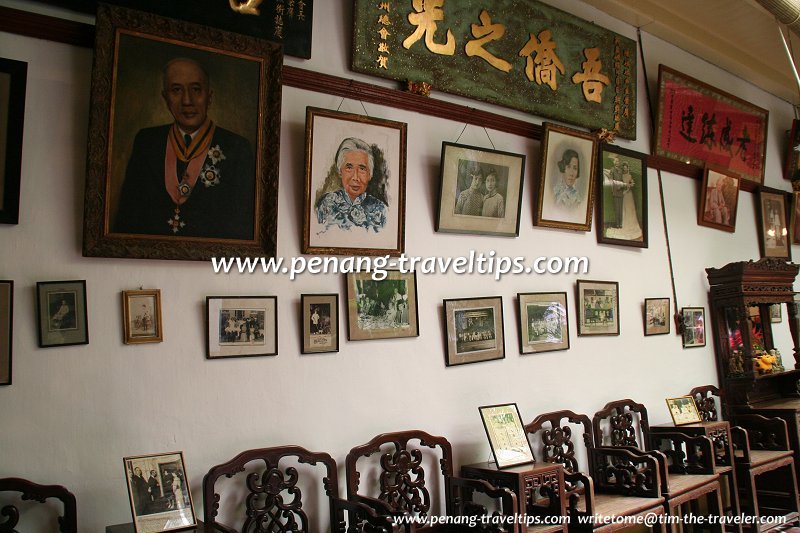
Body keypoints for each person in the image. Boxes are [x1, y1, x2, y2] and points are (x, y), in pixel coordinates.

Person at [114, 58, 255, 239]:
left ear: (209, 97)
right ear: (165, 98)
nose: (187, 100)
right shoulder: (147, 142)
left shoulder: (237, 147)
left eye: (196, 89)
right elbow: (127, 219)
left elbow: (241, 228)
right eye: (176, 90)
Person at [316, 137, 388, 232]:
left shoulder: (381, 209)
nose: (355, 177)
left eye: (362, 169)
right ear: (340, 171)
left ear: (370, 174)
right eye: (349, 167)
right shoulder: (326, 204)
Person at [605, 161, 642, 240]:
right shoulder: (621, 175)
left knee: (630, 210)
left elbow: (630, 185)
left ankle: (632, 225)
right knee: (624, 210)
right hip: (623, 195)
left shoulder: (629, 175)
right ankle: (623, 225)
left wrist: (627, 190)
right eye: (624, 168)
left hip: (628, 195)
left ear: (628, 168)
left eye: (626, 168)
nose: (625, 170)